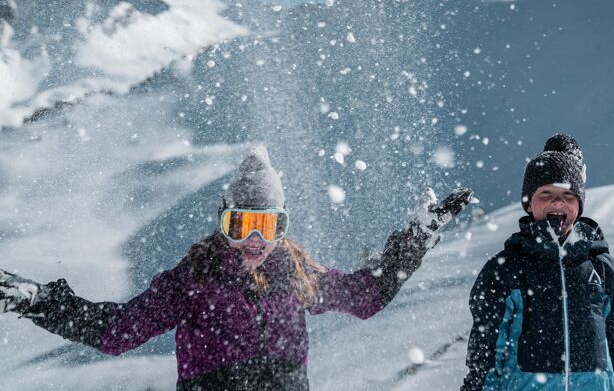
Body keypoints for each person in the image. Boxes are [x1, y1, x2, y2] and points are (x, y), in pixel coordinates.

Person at [0, 145, 472, 391]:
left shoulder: (297, 275)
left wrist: (415, 237)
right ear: (223, 222)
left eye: (268, 225)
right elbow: (118, 331)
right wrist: (40, 301)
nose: (254, 239)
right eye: (241, 223)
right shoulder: (192, 282)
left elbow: (367, 297)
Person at [461, 134, 614, 391]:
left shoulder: (603, 269)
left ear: (579, 204)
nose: (557, 201)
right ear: (529, 204)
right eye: (546, 193)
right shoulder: (508, 269)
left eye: (568, 194)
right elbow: (486, 349)